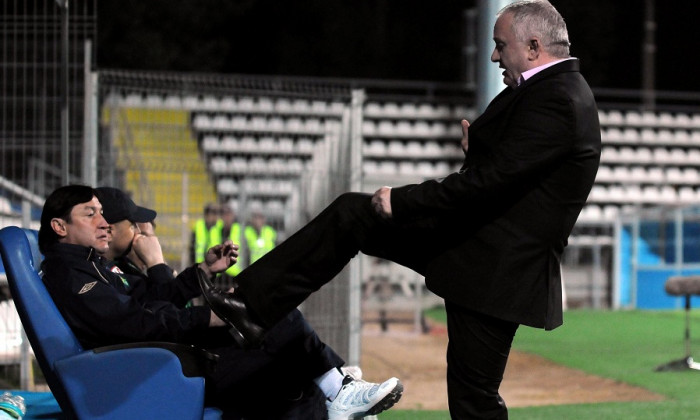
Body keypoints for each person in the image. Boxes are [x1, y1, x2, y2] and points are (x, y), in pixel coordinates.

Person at [216, 1, 602, 418]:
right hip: (472, 246)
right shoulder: (548, 92)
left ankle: (251, 309)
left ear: (532, 46)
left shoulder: (559, 98)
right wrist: (480, 152)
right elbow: (504, 176)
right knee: (352, 215)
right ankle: (250, 306)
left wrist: (400, 200)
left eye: (499, 45)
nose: (494, 56)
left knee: (474, 399)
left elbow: (489, 185)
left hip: (496, 269)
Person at [39, 185, 403, 420]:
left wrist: (201, 271)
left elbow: (147, 302)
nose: (103, 223)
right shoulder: (71, 274)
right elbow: (130, 323)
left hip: (161, 358)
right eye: (92, 214)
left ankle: (335, 390)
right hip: (152, 368)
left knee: (278, 341)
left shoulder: (93, 266)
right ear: (59, 227)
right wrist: (207, 319)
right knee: (274, 328)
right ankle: (335, 389)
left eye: (103, 213)